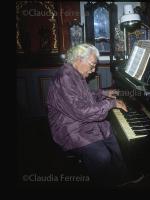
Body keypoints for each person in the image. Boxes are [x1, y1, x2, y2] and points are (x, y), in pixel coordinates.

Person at [47, 43, 141, 187]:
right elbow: (80, 111)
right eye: (92, 65)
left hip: (80, 121)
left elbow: (84, 97)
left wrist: (103, 93)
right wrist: (111, 104)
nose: (93, 70)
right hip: (69, 128)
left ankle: (122, 178)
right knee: (102, 156)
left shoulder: (73, 73)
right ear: (79, 59)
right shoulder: (65, 77)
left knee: (111, 135)